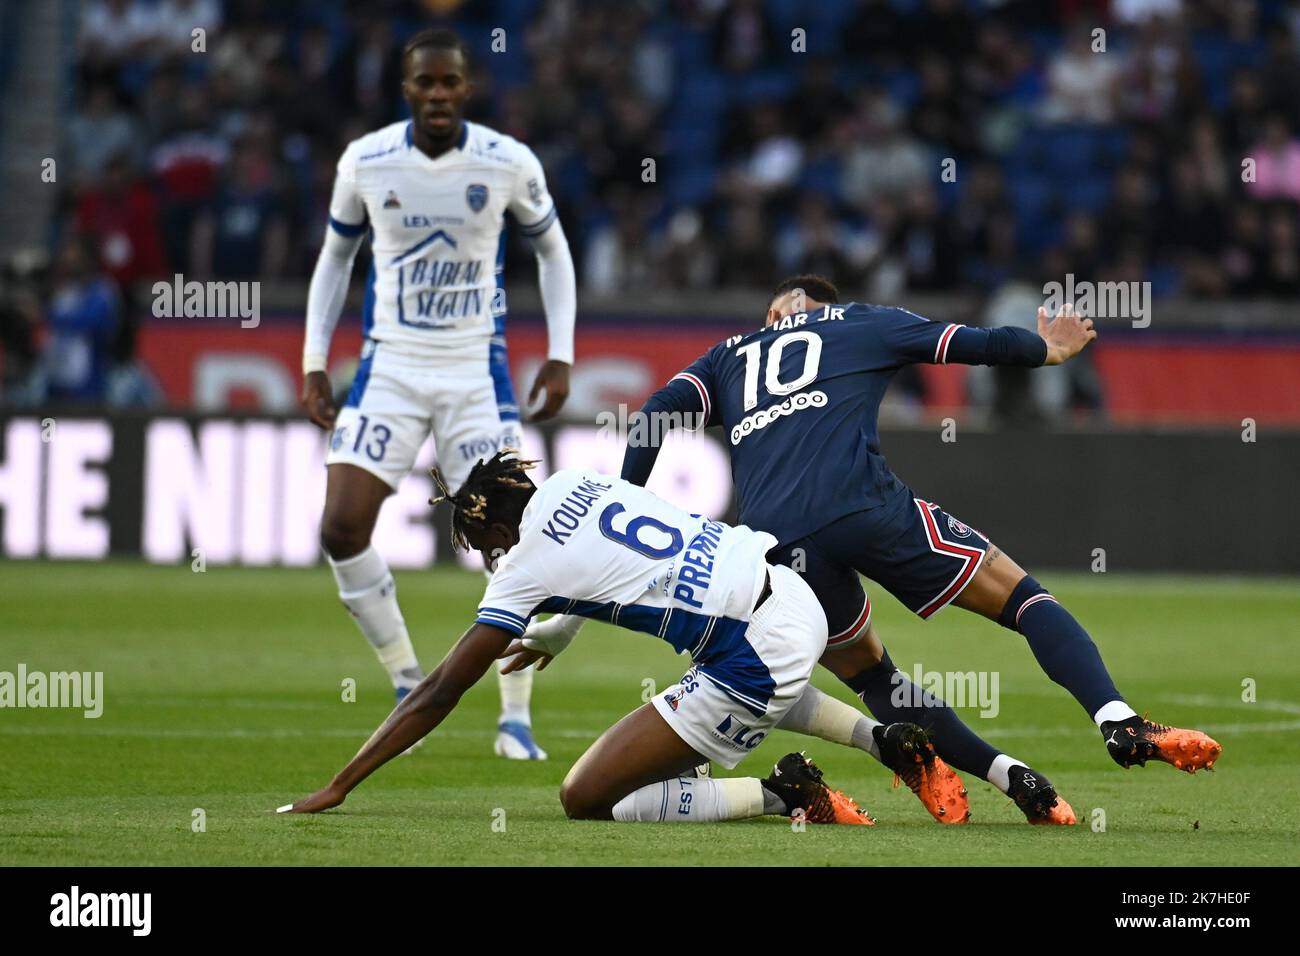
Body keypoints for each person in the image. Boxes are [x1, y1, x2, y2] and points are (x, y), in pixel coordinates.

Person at [619, 274, 1222, 823]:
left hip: (780, 544)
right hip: (865, 506)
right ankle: (1119, 721)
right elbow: (976, 344)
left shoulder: (727, 357)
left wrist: (621, 508)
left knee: (874, 677)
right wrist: (1048, 350)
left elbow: (652, 416)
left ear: (773, 310)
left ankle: (1008, 778)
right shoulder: (859, 321)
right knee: (1024, 600)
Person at [279, 453, 967, 825]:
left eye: (483, 546)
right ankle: (881, 739)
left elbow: (439, 690)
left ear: (496, 533)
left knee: (588, 797)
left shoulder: (520, 568)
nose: (490, 560)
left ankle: (786, 792)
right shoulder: (577, 479)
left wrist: (341, 783)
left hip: (754, 656)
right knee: (728, 680)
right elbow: (606, 569)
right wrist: (554, 633)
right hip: (789, 594)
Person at [300, 29, 576, 760]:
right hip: (387, 367)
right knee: (340, 526)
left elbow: (553, 249)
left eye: (450, 82)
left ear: (466, 87)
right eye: (425, 83)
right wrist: (312, 359)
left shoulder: (507, 162)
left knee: (514, 543)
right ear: (406, 87)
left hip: (475, 376)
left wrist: (560, 353)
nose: (438, 95)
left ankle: (514, 717)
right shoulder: (365, 160)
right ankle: (403, 681)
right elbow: (336, 258)